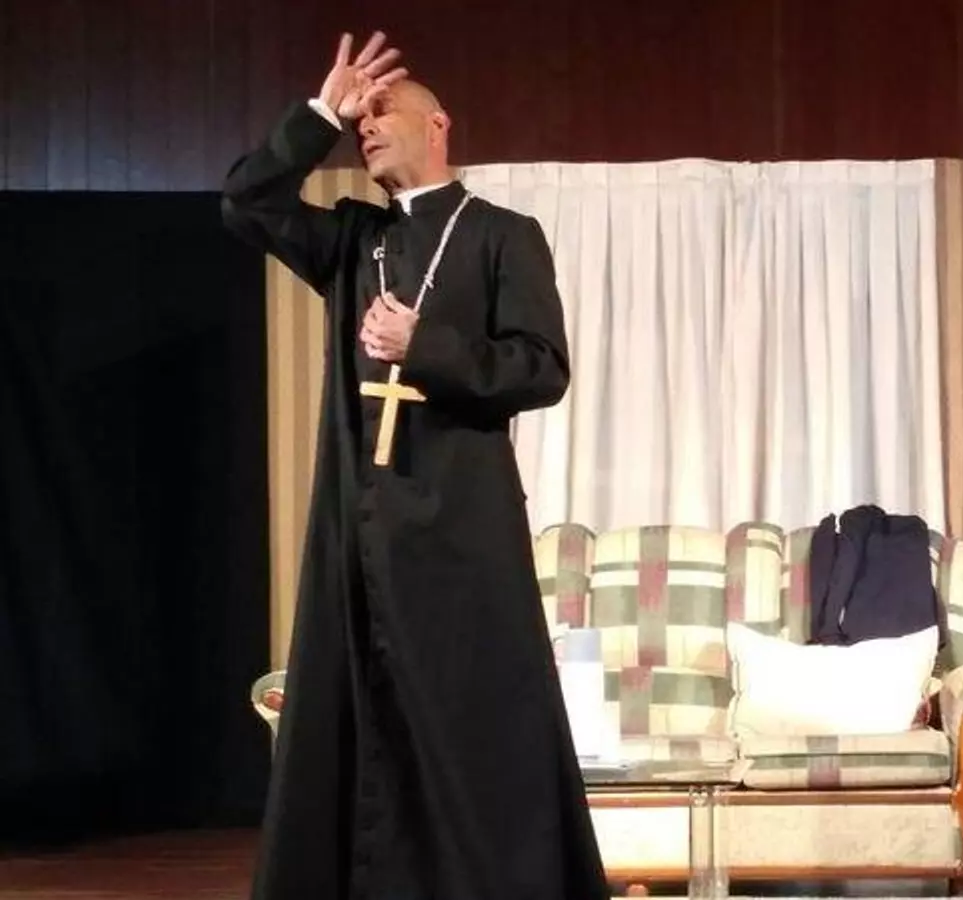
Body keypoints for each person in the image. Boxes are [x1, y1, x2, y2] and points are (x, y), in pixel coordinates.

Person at [220, 31, 610, 900]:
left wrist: (422, 344)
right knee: (365, 734)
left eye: (381, 111)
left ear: (439, 125)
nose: (366, 126)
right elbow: (245, 202)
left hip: (463, 533)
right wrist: (320, 111)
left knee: (470, 734)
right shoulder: (354, 241)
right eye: (357, 118)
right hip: (361, 532)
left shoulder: (503, 235)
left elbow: (541, 368)